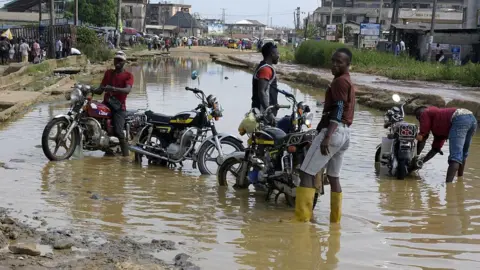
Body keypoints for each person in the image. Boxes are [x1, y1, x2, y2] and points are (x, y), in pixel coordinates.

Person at [295, 48, 356, 223]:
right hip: (345, 133)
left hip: (333, 131)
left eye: (340, 62)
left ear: (348, 64)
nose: (335, 65)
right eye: (333, 61)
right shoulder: (348, 81)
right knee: (333, 176)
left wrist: (327, 136)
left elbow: (337, 109)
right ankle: (335, 221)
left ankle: (302, 222)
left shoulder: (339, 83)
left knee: (306, 173)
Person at [415, 106, 477, 183]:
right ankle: (460, 180)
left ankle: (448, 187)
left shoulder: (425, 113)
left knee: (455, 156)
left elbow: (422, 136)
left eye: (419, 120)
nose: (421, 122)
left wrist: (416, 154)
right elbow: (435, 149)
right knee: (463, 154)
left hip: (459, 119)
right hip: (472, 119)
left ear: (419, 116)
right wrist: (421, 162)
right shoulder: (439, 123)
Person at [94, 51, 133, 157]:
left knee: (119, 131)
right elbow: (100, 89)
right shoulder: (108, 73)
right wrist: (88, 89)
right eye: (116, 60)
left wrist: (114, 89)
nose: (117, 62)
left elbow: (127, 90)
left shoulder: (128, 76)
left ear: (124, 62)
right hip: (106, 104)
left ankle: (126, 157)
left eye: (120, 60)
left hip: (119, 107)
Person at [251, 42, 279, 118]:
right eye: (277, 53)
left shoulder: (264, 66)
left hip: (264, 111)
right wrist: (269, 112)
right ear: (272, 54)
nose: (278, 56)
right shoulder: (266, 69)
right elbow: (262, 92)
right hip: (263, 113)